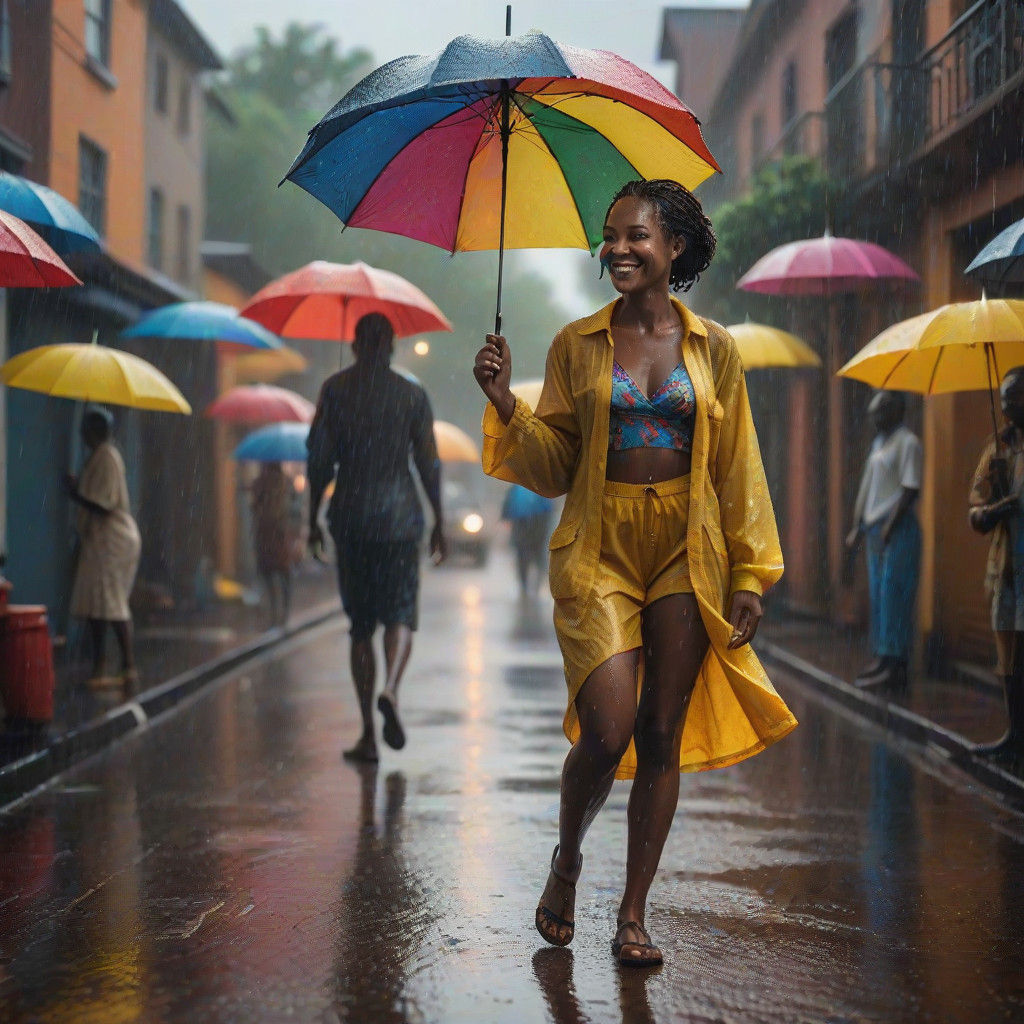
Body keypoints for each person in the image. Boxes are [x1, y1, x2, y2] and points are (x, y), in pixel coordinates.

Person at [473, 179, 796, 968]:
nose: (617, 249)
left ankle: (633, 913)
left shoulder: (715, 349)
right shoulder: (574, 346)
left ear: (674, 247)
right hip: (600, 546)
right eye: (610, 236)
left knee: (659, 734)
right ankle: (568, 858)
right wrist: (506, 405)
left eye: (635, 236)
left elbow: (736, 466)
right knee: (608, 729)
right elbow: (554, 465)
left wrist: (750, 573)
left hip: (688, 549)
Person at [307, 312, 447, 763]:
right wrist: (440, 519)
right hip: (401, 520)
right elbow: (428, 462)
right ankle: (391, 688)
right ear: (391, 347)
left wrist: (312, 518)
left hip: (352, 519)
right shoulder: (411, 393)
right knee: (400, 614)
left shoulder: (335, 391)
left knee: (361, 627)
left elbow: (319, 462)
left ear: (354, 346)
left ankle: (369, 733)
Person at [844, 390, 922, 693]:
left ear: (895, 411)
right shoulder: (879, 443)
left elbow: (910, 487)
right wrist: (857, 527)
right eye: (873, 413)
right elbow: (868, 490)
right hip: (875, 529)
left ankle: (897, 663)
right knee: (879, 596)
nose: (875, 418)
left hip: (898, 529)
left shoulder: (908, 443)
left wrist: (891, 524)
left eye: (881, 412)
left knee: (895, 595)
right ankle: (883, 656)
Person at [968, 366, 1024, 764]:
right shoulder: (998, 450)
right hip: (1007, 567)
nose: (1011, 408)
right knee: (1008, 650)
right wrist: (997, 504)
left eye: (1018, 398)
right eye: (1006, 401)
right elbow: (975, 513)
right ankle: (1014, 733)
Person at [66, 407, 142, 691]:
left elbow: (103, 503)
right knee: (98, 606)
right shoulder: (99, 457)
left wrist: (76, 493)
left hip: (112, 540)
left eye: (86, 429)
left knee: (110, 604)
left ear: (95, 431)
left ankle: (127, 666)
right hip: (101, 541)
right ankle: (103, 666)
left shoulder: (107, 457)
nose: (82, 435)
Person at [250, 462, 296, 627]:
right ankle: (281, 613)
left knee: (271, 574)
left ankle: (276, 613)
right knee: (282, 575)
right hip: (276, 536)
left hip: (269, 536)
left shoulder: (262, 484)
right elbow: (290, 510)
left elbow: (254, 508)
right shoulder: (284, 483)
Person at [501, 484, 555, 599]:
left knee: (523, 557)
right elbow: (549, 509)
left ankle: (525, 585)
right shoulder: (540, 485)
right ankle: (536, 586)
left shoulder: (516, 487)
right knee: (538, 557)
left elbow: (507, 507)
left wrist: (504, 518)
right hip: (538, 525)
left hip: (521, 526)